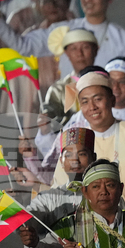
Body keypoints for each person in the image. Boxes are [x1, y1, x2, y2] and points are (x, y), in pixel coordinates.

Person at [50, 71, 125, 210]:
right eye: (85, 102)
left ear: (112, 100)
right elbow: (60, 191)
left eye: (98, 99)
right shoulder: (74, 141)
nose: (92, 107)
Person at [36, 29, 100, 158]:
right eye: (73, 49)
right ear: (67, 53)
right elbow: (51, 124)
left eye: (85, 47)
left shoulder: (108, 83)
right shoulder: (58, 89)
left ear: (95, 49)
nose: (79, 54)